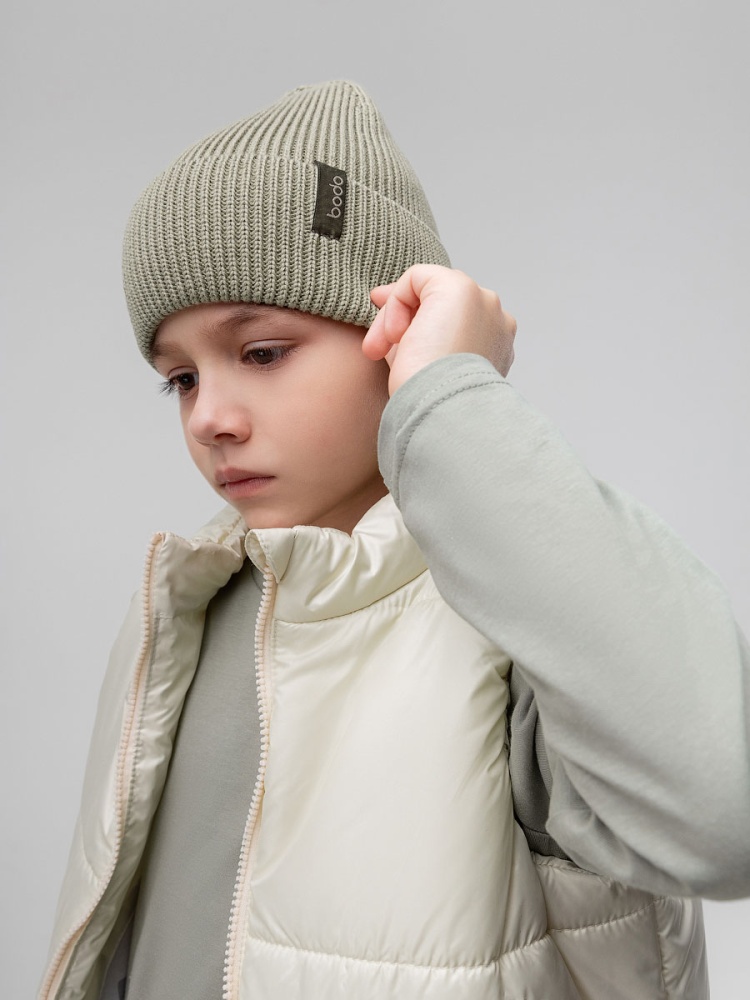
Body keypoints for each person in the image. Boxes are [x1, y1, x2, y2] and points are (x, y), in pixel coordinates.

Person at [38, 80, 749, 1000]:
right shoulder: (178, 612)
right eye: (180, 379)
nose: (209, 416)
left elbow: (722, 805)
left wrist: (453, 396)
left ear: (396, 334)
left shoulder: (513, 631)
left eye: (261, 352)